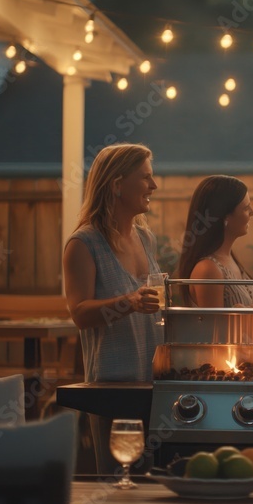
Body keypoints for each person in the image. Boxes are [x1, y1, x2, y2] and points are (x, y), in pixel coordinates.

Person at [62, 143, 164, 473]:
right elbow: (80, 314)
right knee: (117, 482)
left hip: (155, 384)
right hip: (112, 388)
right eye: (145, 177)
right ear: (117, 185)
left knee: (155, 482)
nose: (154, 185)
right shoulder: (84, 244)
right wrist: (130, 302)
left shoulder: (145, 238)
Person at [176, 175, 253, 308]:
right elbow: (213, 321)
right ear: (225, 217)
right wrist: (242, 315)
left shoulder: (230, 260)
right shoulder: (208, 269)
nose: (252, 212)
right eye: (246, 208)